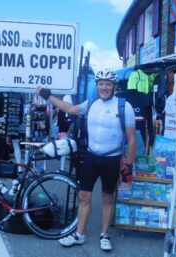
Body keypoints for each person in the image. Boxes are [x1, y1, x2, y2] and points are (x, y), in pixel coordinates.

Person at [37, 68, 136, 251]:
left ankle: (104, 235)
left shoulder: (124, 107)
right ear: (97, 85)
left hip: (112, 160)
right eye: (101, 84)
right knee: (84, 196)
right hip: (91, 157)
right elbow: (70, 108)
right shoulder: (91, 104)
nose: (104, 87)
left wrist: (128, 165)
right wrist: (48, 95)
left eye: (108, 84)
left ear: (114, 86)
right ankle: (79, 235)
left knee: (107, 198)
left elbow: (131, 139)